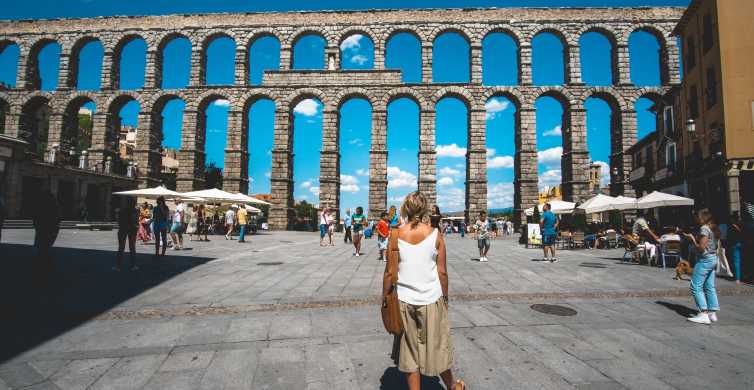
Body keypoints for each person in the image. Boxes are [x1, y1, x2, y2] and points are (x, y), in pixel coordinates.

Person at [385, 191, 465, 390]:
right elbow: (443, 273)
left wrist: (385, 299)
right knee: (437, 345)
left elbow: (389, 272)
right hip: (431, 299)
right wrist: (445, 299)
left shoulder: (395, 234)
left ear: (405, 209)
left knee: (409, 350)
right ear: (425, 209)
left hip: (403, 300)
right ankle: (453, 386)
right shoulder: (436, 234)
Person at [682, 209, 721, 325]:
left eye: (697, 217)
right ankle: (712, 312)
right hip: (713, 258)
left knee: (695, 286)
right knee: (709, 286)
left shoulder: (704, 228)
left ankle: (703, 313)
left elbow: (701, 248)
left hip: (704, 259)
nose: (696, 219)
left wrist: (692, 239)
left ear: (702, 218)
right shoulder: (714, 228)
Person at [32, 191, 60, 278]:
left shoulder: (40, 207)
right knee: (45, 249)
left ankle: (42, 268)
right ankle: (46, 268)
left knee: (41, 249)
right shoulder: (55, 207)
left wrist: (38, 228)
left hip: (43, 230)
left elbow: (35, 220)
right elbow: (57, 220)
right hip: (50, 231)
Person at [115, 198, 139, 272]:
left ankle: (118, 266)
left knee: (121, 248)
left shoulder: (121, 210)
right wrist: (136, 226)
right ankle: (133, 265)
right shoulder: (135, 211)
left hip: (122, 229)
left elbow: (118, 220)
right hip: (132, 229)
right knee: (132, 247)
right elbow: (135, 220)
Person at [728, 212, 743, 284]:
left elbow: (730, 237)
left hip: (734, 244)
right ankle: (740, 276)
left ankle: (737, 278)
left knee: (736, 261)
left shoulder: (732, 226)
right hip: (741, 243)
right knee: (741, 260)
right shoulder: (741, 225)